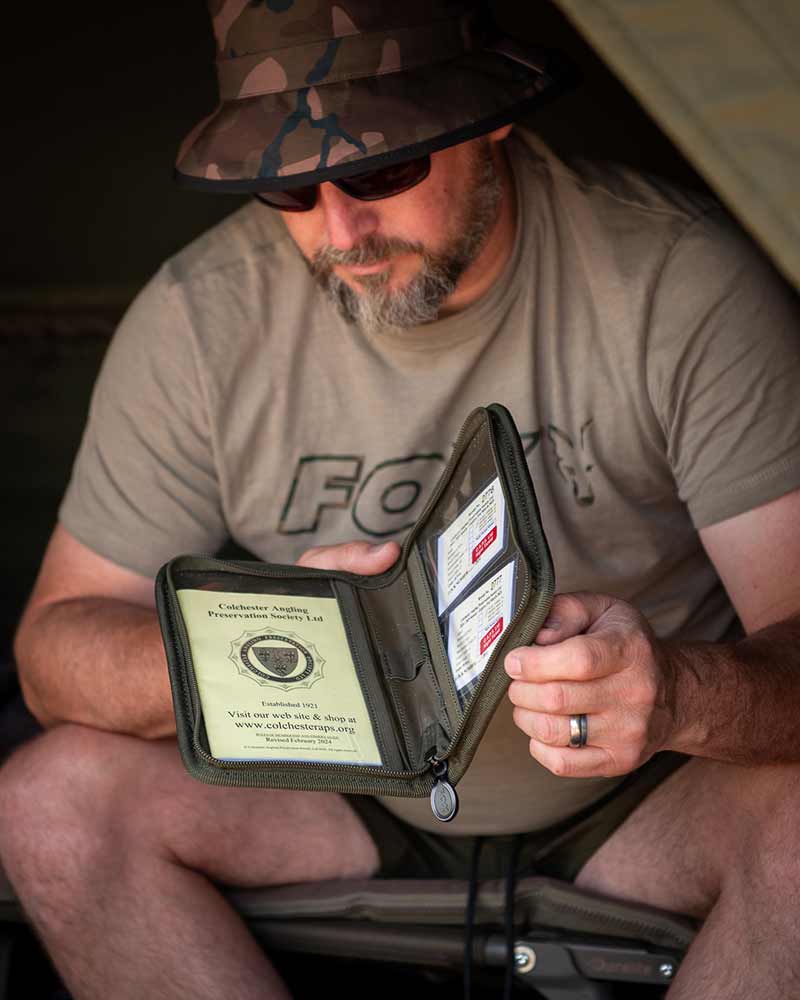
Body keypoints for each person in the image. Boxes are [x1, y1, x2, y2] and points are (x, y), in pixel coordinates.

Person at [1, 2, 799, 998]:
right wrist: (268, 649)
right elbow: (51, 650)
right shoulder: (199, 319)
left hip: (644, 802)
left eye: (382, 169)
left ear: (486, 118)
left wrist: (674, 691)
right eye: (288, 186)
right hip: (336, 801)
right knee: (49, 798)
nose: (342, 230)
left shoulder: (673, 285)